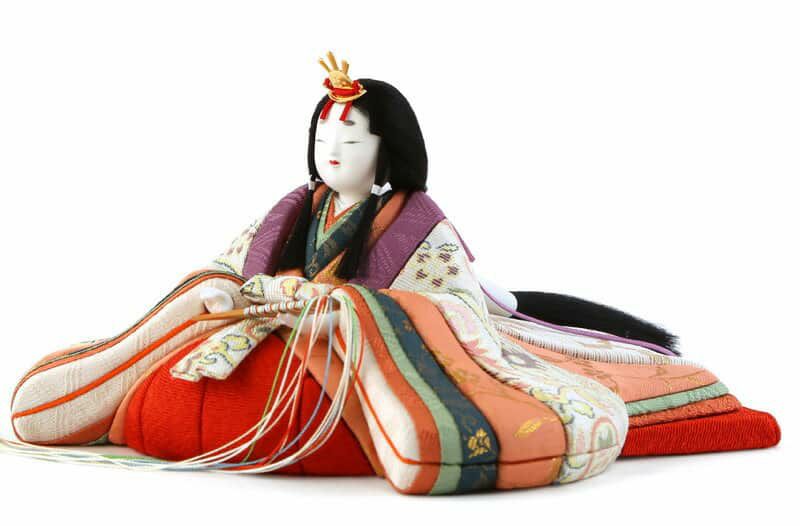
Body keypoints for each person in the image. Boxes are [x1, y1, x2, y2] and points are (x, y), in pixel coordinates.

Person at [4, 53, 780, 495]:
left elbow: (454, 307)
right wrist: (218, 289)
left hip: (344, 342)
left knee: (384, 333)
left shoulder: (414, 224)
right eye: (324, 137)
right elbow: (231, 265)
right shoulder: (293, 210)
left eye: (351, 138)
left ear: (387, 151)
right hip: (265, 337)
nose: (332, 151)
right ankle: (85, 390)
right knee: (193, 316)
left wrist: (343, 306)